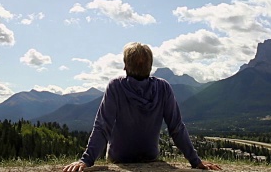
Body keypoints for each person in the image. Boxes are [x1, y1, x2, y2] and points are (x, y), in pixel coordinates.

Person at [64, 42, 221, 171]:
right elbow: (176, 127)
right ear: (150, 66)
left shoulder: (116, 87)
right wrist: (195, 161)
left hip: (119, 158)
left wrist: (86, 160)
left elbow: (102, 127)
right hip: (150, 156)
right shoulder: (163, 87)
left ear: (125, 66)